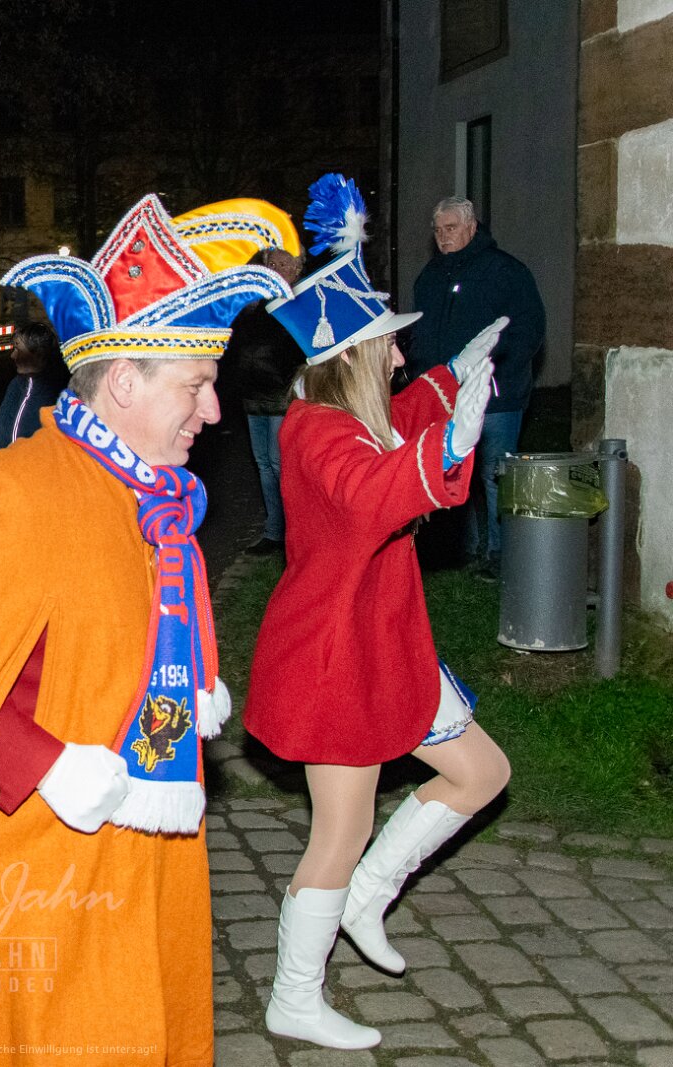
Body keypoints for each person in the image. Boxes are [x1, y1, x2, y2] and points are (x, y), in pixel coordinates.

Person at [0, 193, 299, 1065]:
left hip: (142, 869)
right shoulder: (10, 496)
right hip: (45, 880)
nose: (213, 412)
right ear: (124, 383)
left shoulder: (152, 498)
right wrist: (40, 763)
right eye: (196, 386)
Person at [247, 175, 512, 1050]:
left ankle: (368, 895)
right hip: (337, 656)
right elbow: (370, 492)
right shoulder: (315, 430)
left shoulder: (349, 414)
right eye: (390, 344)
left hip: (386, 643)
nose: (400, 356)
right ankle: (294, 995)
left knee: (481, 772)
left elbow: (399, 417)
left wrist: (453, 375)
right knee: (342, 826)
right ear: (355, 354)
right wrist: (452, 445)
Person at [406, 195, 545, 577]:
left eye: (450, 228)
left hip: (495, 396)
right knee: (453, 468)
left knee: (496, 474)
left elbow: (529, 329)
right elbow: (420, 332)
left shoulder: (505, 272)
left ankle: (501, 554)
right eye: (437, 230)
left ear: (471, 227)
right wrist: (422, 372)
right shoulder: (430, 277)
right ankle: (461, 548)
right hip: (445, 394)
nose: (442, 236)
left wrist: (494, 374)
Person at [222, 247, 306, 555]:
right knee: (264, 465)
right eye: (272, 262)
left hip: (281, 395)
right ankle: (275, 531)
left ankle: (290, 530)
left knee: (279, 464)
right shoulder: (254, 303)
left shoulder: (297, 303)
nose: (276, 268)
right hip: (252, 394)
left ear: (297, 268)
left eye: (284, 263)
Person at [0, 320, 67, 450]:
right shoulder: (17, 384)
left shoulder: (57, 390)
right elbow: (0, 434)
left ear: (39, 354)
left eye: (18, 349)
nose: (12, 355)